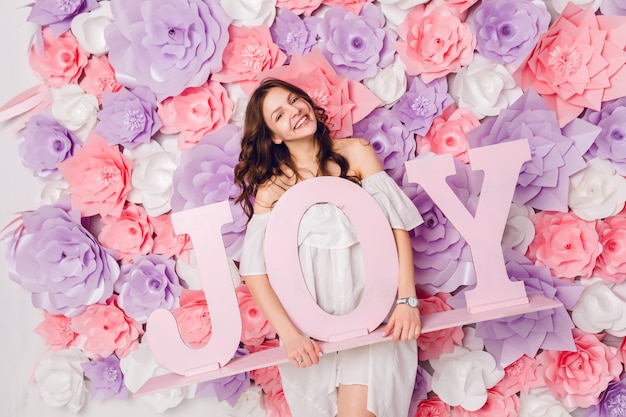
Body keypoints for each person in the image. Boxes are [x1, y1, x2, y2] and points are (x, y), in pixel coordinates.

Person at [234, 78, 423, 417]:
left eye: (295, 100)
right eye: (279, 114)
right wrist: (289, 335)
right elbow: (255, 272)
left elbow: (397, 228)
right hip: (310, 331)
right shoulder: (272, 189)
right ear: (274, 135)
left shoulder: (357, 153)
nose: (294, 111)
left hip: (373, 315)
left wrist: (407, 299)